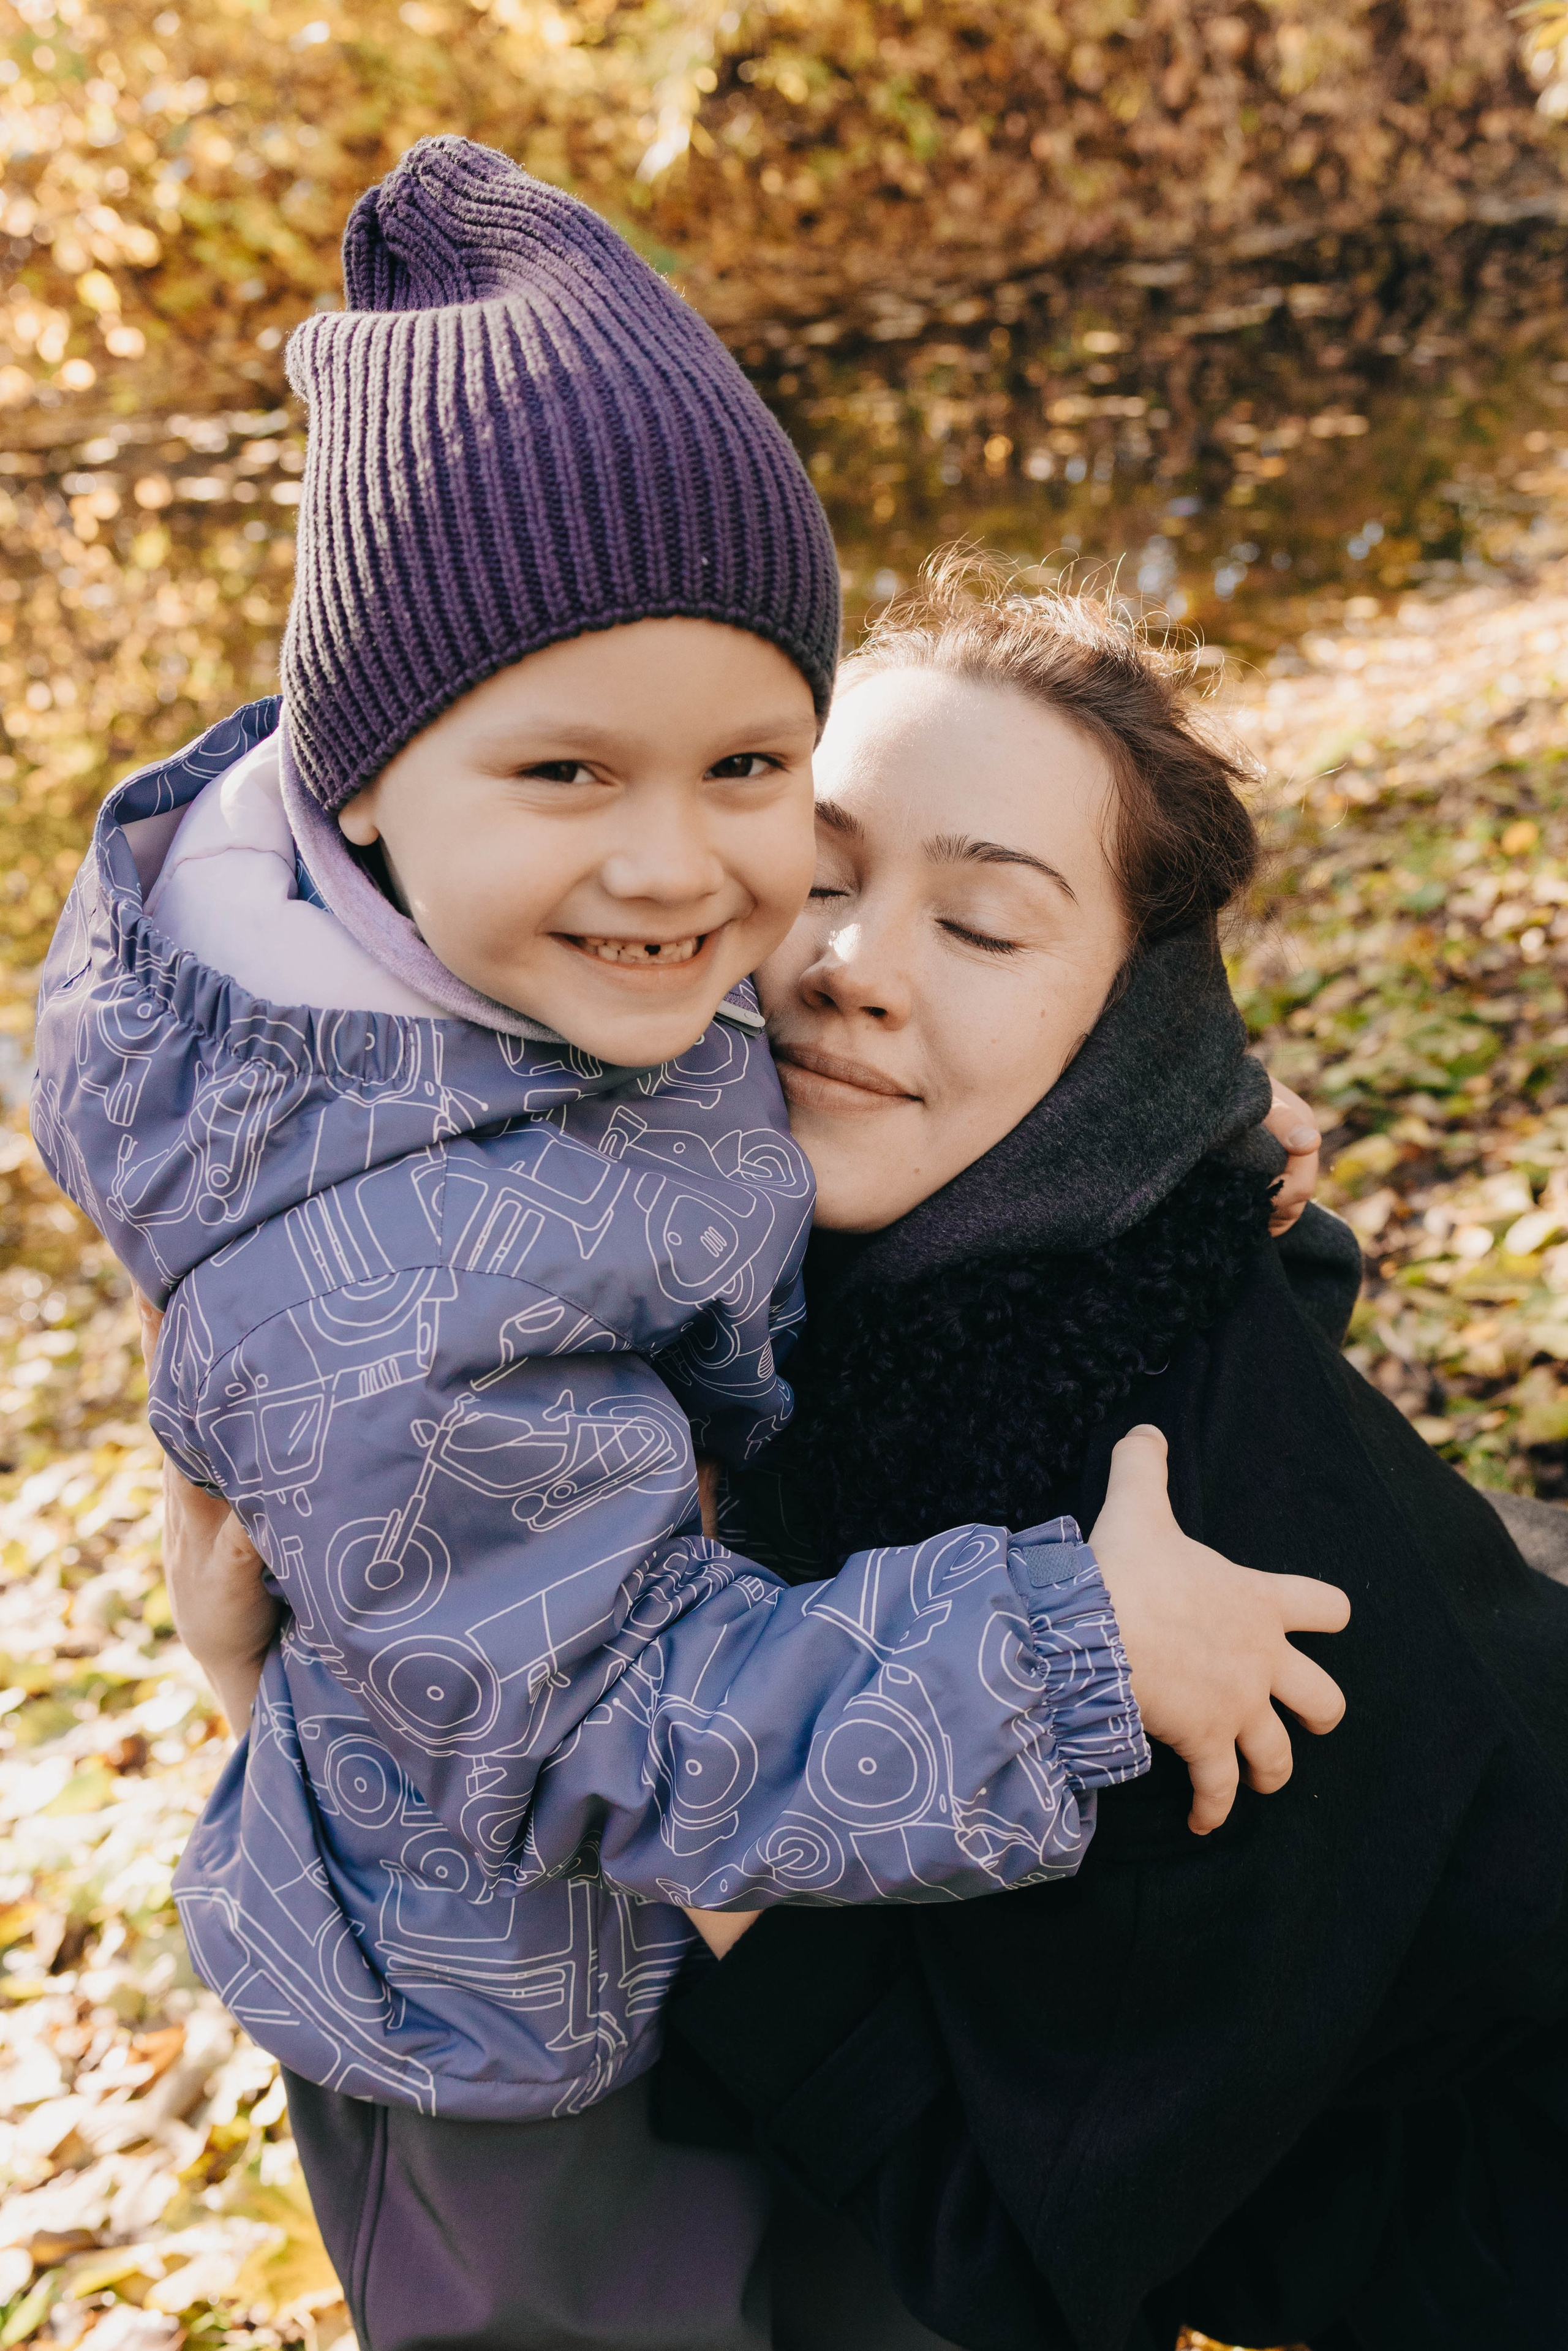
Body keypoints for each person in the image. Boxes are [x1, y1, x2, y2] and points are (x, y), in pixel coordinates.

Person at [31, 145, 1346, 2351]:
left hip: (683, 1929)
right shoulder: (393, 1283)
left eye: (753, 764)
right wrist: (1072, 1650)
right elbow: (611, 1717)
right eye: (568, 774)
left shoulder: (498, 964)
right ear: (366, 781)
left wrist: (1171, 1121)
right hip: (524, 2065)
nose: (688, 873)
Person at [651, 561, 1568, 2351]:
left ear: (1120, 1033)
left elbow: (1033, 2256)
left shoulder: (1180, 1589)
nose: (848, 965)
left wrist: (697, 1830)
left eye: (984, 929)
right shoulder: (962, 1273)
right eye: (817, 877)